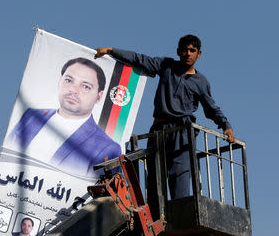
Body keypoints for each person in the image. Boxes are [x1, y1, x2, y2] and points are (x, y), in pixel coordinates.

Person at [95, 35, 235, 207]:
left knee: (180, 175)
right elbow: (140, 60)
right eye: (184, 50)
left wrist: (226, 126)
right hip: (159, 129)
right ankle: (155, 217)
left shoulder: (201, 82)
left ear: (199, 54)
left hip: (182, 133)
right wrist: (111, 51)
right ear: (178, 52)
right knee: (155, 176)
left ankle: (180, 216)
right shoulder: (167, 66)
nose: (187, 54)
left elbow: (211, 108)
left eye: (192, 50)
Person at [6, 57, 121, 179]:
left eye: (86, 86)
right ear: (59, 81)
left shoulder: (107, 148)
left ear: (99, 97)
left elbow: (99, 195)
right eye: (69, 80)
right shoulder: (31, 117)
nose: (73, 90)